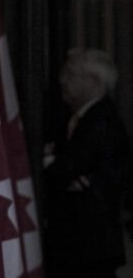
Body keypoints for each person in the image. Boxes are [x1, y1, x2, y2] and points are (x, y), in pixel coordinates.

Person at [43, 48, 130, 277]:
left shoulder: (104, 122)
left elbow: (67, 172)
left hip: (91, 244)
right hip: (72, 244)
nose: (63, 80)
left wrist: (52, 162)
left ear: (94, 82)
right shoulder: (70, 118)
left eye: (71, 74)